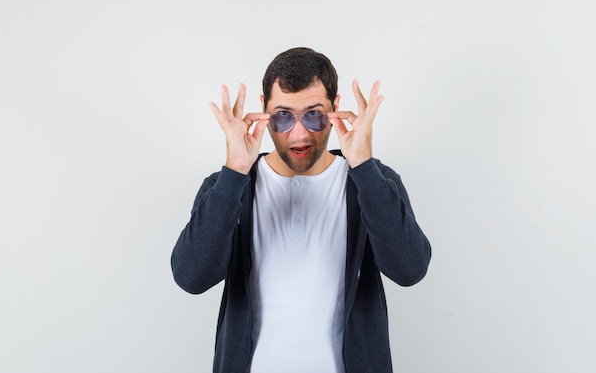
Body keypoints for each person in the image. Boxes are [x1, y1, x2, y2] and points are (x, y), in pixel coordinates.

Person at [171, 47, 431, 373]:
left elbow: (410, 269)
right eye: (282, 116)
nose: (298, 133)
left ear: (336, 109)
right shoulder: (229, 186)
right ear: (263, 109)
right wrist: (235, 169)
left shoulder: (371, 181)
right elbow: (191, 277)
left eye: (314, 115)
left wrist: (363, 165)